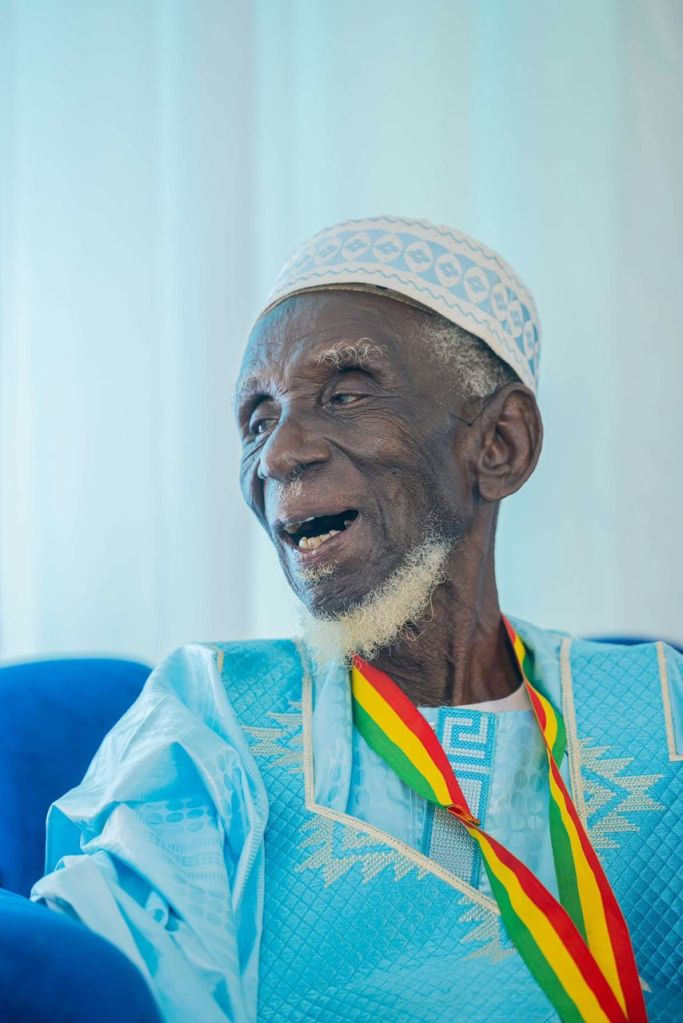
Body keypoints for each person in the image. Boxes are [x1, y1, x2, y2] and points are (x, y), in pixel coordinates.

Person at [32, 217, 682, 1022]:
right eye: (257, 419)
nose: (277, 455)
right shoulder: (210, 715)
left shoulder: (661, 705)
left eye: (344, 394)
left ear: (499, 444)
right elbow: (89, 979)